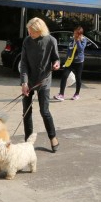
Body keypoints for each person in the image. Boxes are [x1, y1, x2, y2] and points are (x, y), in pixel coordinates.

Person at [19, 17, 61, 152]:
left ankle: (53, 137)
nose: (30, 33)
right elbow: (23, 63)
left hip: (44, 81)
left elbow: (56, 58)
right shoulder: (27, 41)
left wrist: (56, 64)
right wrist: (24, 82)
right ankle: (28, 141)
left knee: (44, 111)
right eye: (29, 31)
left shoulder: (51, 41)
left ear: (40, 30)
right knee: (26, 112)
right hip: (28, 81)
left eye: (32, 31)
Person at [56, 26, 87, 101]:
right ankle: (61, 94)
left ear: (80, 34)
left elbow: (80, 50)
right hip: (70, 61)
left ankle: (77, 94)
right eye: (74, 33)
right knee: (64, 76)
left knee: (78, 78)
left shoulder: (83, 39)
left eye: (76, 33)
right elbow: (69, 49)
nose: (75, 34)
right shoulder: (71, 39)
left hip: (79, 62)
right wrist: (66, 59)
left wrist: (78, 41)